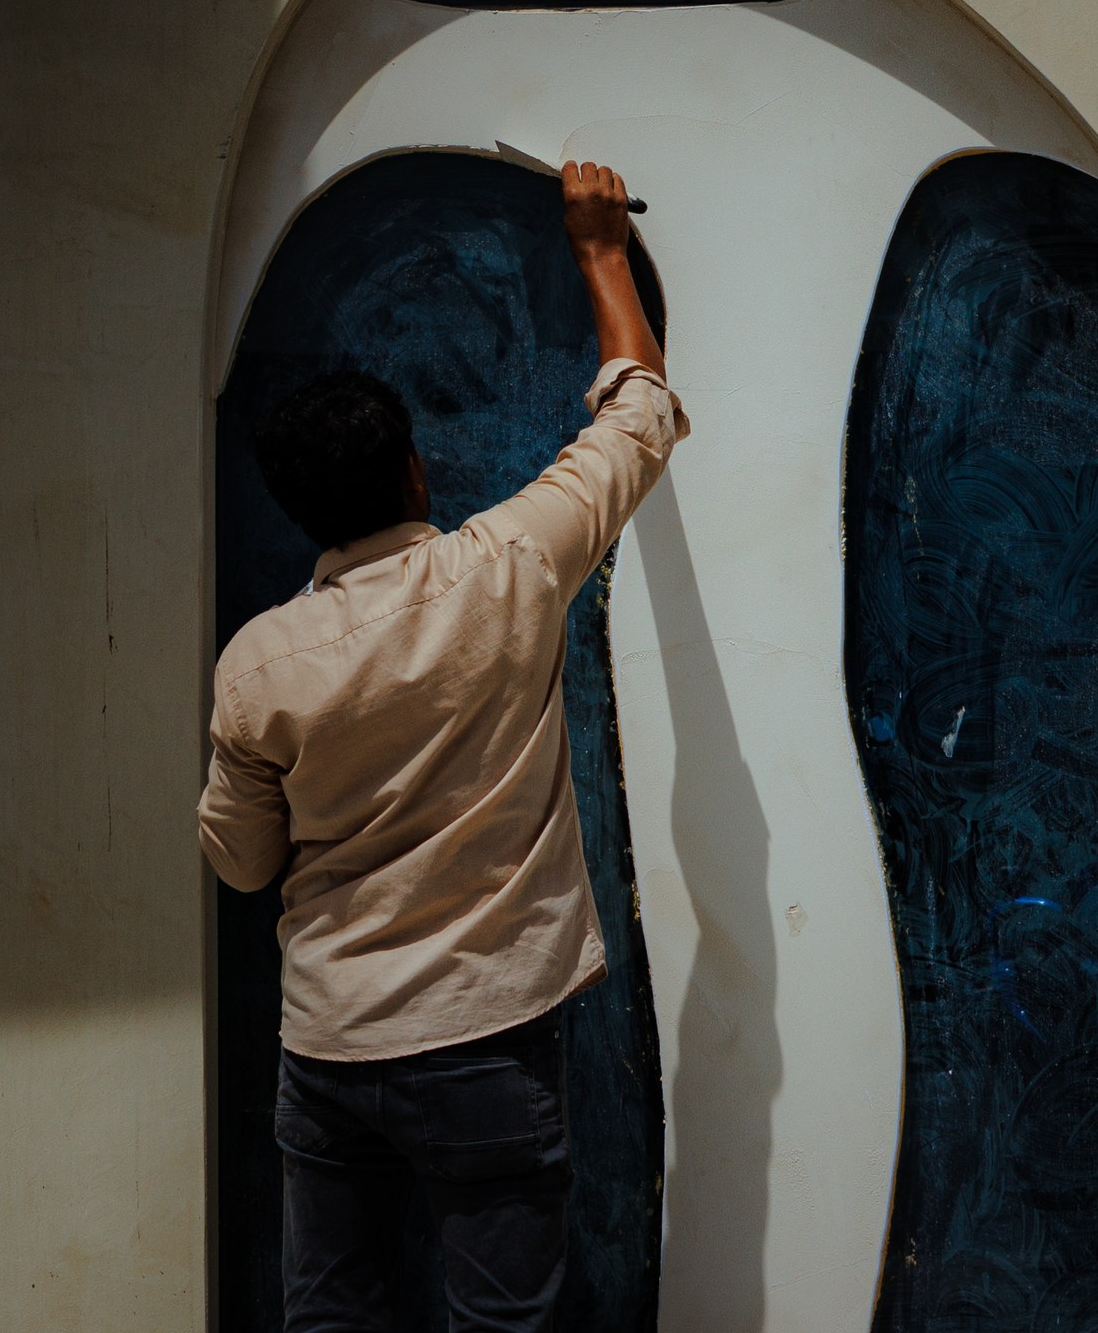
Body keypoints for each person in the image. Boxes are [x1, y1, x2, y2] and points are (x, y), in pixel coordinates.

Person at [198, 161, 686, 1332]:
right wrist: (600, 252)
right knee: (504, 1321)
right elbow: (640, 415)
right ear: (413, 469)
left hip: (331, 1043)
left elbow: (243, 863)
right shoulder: (504, 568)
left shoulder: (257, 666)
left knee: (333, 1317)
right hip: (487, 1041)